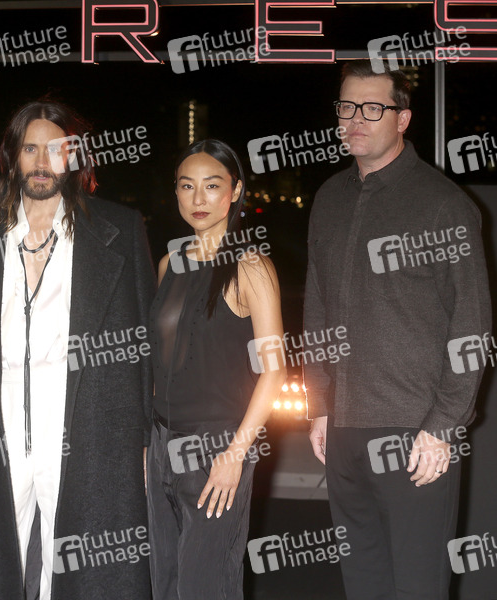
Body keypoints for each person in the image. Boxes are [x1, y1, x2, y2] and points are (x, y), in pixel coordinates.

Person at [0, 100, 155, 599]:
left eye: (55, 149)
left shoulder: (119, 229)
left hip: (84, 418)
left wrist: (144, 432)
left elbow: (142, 342)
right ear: (12, 156)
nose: (42, 162)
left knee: (84, 566)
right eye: (30, 149)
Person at [305, 60, 491, 599]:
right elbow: (316, 306)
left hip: (415, 434)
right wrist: (319, 405)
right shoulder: (329, 198)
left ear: (403, 119)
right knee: (362, 584)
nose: (354, 119)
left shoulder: (444, 204)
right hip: (342, 430)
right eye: (346, 107)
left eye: (371, 108)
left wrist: (443, 425)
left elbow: (472, 326)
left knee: (416, 587)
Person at [147, 139, 284, 599]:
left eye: (211, 185)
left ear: (235, 191)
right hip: (162, 442)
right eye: (187, 186)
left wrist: (235, 454)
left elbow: (274, 372)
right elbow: (160, 361)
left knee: (205, 586)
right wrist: (149, 446)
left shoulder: (250, 268)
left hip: (217, 447)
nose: (198, 198)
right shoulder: (169, 263)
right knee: (165, 583)